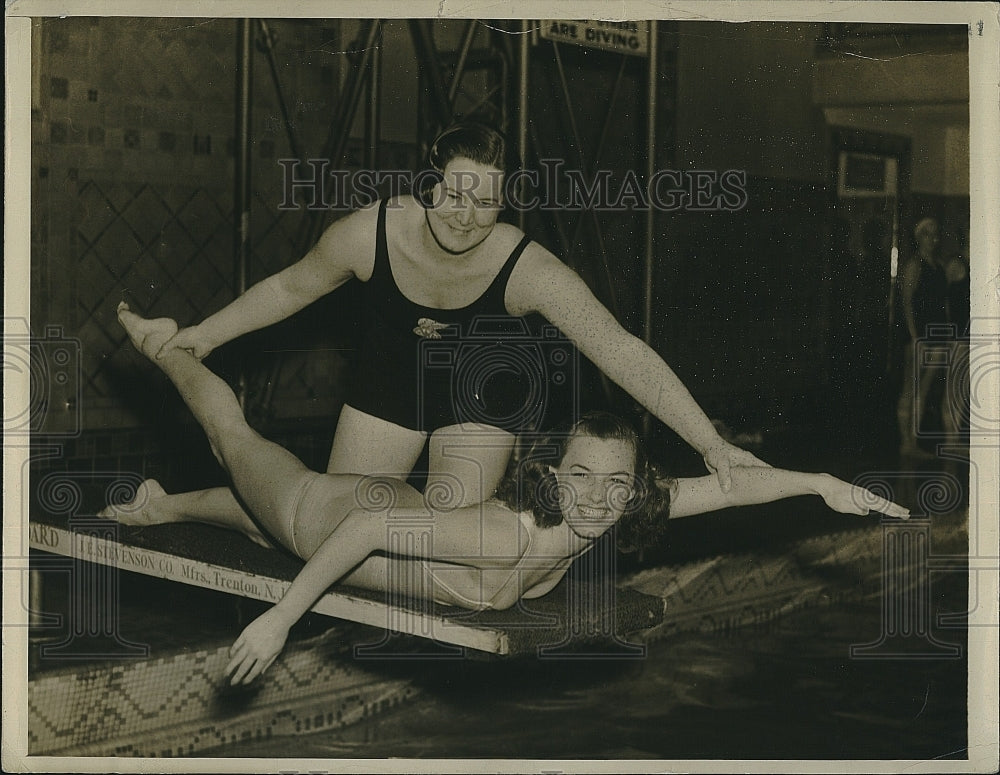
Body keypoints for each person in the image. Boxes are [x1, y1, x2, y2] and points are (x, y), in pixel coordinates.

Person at [109, 303, 908, 685]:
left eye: (616, 484)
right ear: (555, 477)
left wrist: (822, 485)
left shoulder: (616, 508)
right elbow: (359, 536)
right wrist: (284, 616)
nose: (597, 499)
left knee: (247, 529)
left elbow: (731, 492)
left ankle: (161, 504)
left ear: (635, 492)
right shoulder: (512, 532)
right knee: (237, 442)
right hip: (328, 514)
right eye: (582, 478)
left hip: (389, 516)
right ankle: (165, 345)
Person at [126, 121, 764, 528]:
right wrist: (204, 335)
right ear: (429, 185)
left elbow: (620, 351)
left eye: (487, 200)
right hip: (388, 381)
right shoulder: (368, 233)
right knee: (323, 520)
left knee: (438, 528)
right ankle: (169, 505)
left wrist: (709, 442)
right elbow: (291, 286)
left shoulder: (524, 267)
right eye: (456, 193)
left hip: (481, 393)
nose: (467, 215)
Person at [896, 217, 968, 457]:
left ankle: (913, 442)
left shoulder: (938, 265)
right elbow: (906, 302)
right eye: (928, 234)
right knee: (911, 388)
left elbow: (944, 304)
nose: (934, 238)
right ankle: (906, 442)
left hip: (936, 338)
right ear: (919, 237)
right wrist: (915, 336)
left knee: (923, 390)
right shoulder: (914, 265)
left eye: (936, 234)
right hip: (920, 338)